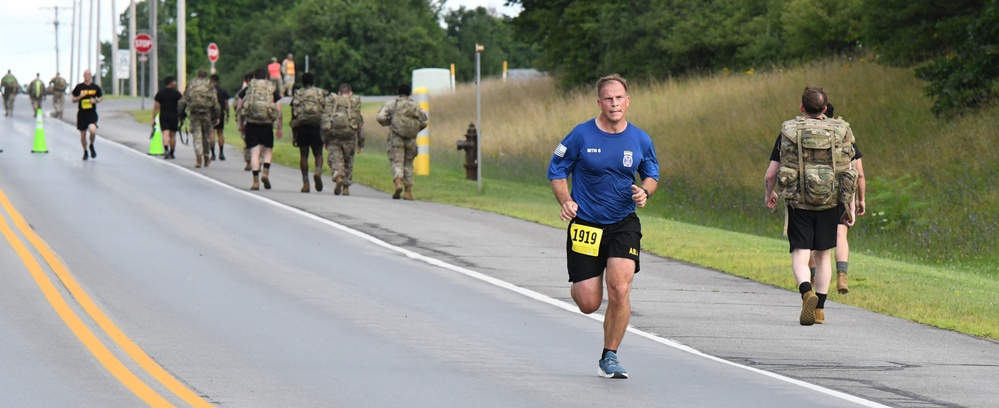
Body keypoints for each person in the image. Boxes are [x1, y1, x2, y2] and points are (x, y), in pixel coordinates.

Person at [547, 73, 659, 379]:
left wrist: (644, 191)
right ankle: (583, 286)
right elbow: (556, 170)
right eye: (608, 98)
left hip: (623, 222)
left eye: (619, 98)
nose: (614, 103)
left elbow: (651, 173)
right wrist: (566, 200)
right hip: (586, 224)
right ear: (599, 102)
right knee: (588, 302)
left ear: (627, 100)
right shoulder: (580, 135)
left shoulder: (640, 139)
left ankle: (610, 355)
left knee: (619, 288)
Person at [765, 86, 858, 326]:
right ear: (825, 108)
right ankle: (819, 310)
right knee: (824, 255)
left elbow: (771, 174)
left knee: (800, 252)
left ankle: (807, 291)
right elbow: (848, 170)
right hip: (830, 202)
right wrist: (849, 203)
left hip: (799, 202)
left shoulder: (789, 131)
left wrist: (770, 193)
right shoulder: (840, 130)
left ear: (801, 108)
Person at [808, 102, 868, 294]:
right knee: (840, 234)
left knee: (812, 237)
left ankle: (813, 277)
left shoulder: (809, 136)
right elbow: (859, 173)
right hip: (840, 194)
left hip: (814, 192)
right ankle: (842, 276)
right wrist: (860, 200)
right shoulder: (844, 136)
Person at [376, 84, 427, 200]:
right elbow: (424, 122)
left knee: (397, 162)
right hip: (411, 139)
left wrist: (391, 123)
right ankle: (408, 191)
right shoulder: (415, 105)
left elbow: (380, 117)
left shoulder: (392, 104)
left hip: (396, 137)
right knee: (408, 163)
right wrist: (415, 129)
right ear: (410, 93)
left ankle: (398, 182)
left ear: (398, 92)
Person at [237, 67, 283, 190]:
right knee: (268, 151)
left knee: (254, 153)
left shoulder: (249, 88)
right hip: (267, 124)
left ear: (254, 78)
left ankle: (255, 181)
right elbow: (278, 108)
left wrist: (241, 123)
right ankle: (265, 173)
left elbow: (239, 106)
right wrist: (279, 127)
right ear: (266, 77)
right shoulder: (270, 88)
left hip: (251, 124)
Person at [290, 72, 327, 193]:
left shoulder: (298, 94)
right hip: (316, 126)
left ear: (302, 82)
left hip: (302, 127)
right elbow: (326, 111)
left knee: (304, 156)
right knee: (318, 154)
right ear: (313, 82)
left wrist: (294, 133)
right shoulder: (320, 93)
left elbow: (293, 114)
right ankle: (317, 171)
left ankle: (306, 183)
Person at [326, 83, 364, 196]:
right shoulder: (353, 105)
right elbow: (361, 126)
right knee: (349, 161)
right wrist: (361, 143)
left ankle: (338, 176)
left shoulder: (334, 105)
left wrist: (325, 139)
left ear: (339, 93)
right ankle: (346, 187)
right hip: (350, 138)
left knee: (334, 159)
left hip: (334, 137)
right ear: (351, 93)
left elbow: (326, 121)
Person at [178, 69, 221, 168]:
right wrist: (218, 115)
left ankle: (198, 158)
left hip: (194, 113)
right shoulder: (210, 85)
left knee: (197, 136)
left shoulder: (191, 85)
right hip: (207, 113)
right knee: (206, 136)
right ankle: (206, 157)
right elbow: (216, 102)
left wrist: (180, 113)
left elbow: (182, 101)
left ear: (197, 75)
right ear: (206, 76)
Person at [71, 69, 104, 160]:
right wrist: (80, 97)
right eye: (85, 74)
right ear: (83, 76)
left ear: (91, 76)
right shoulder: (79, 87)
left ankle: (91, 145)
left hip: (91, 113)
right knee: (83, 135)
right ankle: (85, 151)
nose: (87, 76)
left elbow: (101, 97)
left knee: (92, 130)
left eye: (88, 74)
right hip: (82, 113)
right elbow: (73, 99)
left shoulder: (95, 87)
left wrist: (96, 100)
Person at [152, 76, 183, 159]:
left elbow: (156, 107)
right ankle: (172, 153)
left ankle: (166, 150)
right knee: (173, 135)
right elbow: (181, 106)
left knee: (165, 133)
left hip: (164, 115)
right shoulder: (177, 93)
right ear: (171, 83)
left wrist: (154, 118)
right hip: (174, 116)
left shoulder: (161, 93)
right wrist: (181, 116)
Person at [235, 71, 254, 170]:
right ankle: (258, 161)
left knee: (247, 143)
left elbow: (238, 107)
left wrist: (239, 123)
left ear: (246, 81)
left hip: (247, 121)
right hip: (263, 121)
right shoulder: (265, 91)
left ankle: (248, 162)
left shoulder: (244, 91)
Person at [210, 74, 230, 161]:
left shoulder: (209, 91)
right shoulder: (223, 91)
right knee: (220, 133)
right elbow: (226, 104)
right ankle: (221, 152)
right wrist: (228, 114)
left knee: (212, 133)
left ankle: (213, 154)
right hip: (221, 113)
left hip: (211, 113)